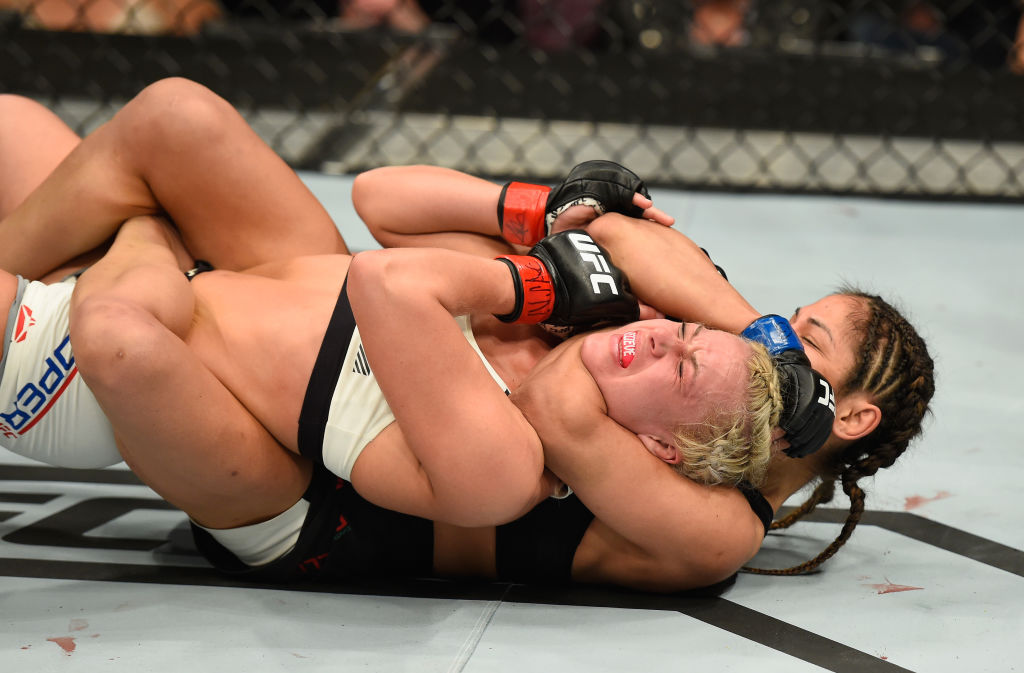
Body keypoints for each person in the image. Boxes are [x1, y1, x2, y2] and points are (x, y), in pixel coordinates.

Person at [0, 78, 929, 586]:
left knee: (122, 312)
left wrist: (574, 278)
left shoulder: (714, 510)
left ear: (842, 415)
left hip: (329, 489)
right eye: (781, 324)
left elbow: (557, 406)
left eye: (799, 343)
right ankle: (100, 260)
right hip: (340, 357)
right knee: (165, 121)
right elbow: (381, 202)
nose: (763, 335)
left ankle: (112, 260)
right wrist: (544, 208)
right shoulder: (688, 357)